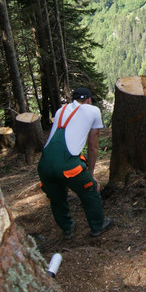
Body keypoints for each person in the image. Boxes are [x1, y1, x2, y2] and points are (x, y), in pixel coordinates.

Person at [38, 87, 114, 239]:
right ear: (89, 100)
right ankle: (98, 225)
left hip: (44, 165)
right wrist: (91, 175)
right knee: (90, 190)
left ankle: (67, 228)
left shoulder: (60, 111)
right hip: (68, 166)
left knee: (56, 197)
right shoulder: (93, 110)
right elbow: (92, 147)